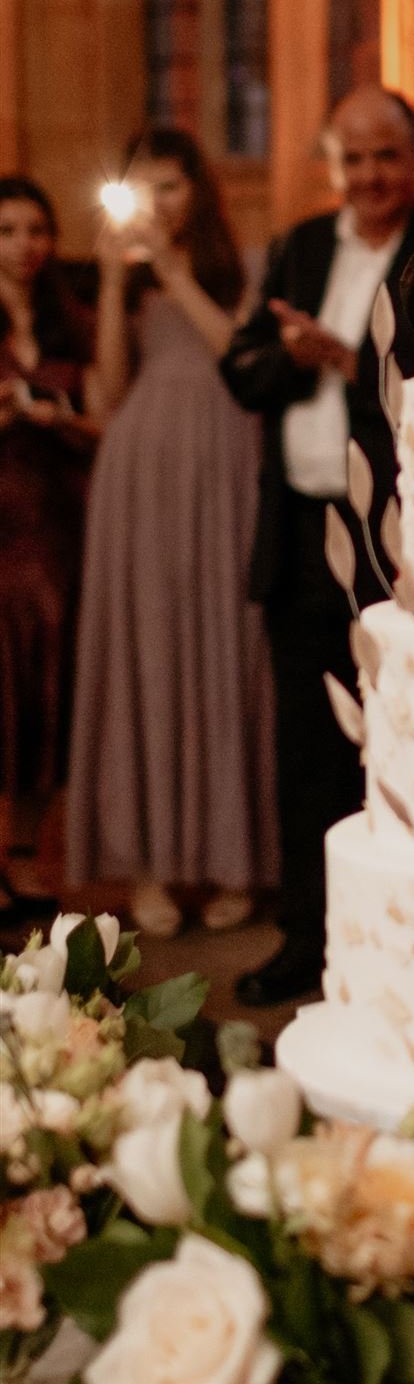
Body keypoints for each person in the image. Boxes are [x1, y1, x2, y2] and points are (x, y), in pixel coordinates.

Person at [222, 86, 414, 1006]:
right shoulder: (303, 245)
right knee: (306, 755)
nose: (370, 175)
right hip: (297, 536)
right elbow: (240, 370)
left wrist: (352, 364)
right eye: (353, 158)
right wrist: (295, 356)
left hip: (397, 542)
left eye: (386, 155)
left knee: (405, 746)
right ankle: (307, 938)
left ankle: (405, 945)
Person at [67, 130, 276, 936]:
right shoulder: (125, 278)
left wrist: (175, 274)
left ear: (199, 191)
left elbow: (239, 358)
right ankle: (147, 865)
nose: (157, 205)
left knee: (227, 642)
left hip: (225, 461)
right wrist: (114, 281)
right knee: (147, 651)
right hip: (141, 469)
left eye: (171, 187)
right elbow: (110, 390)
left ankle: (233, 859)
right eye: (142, 188)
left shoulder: (243, 268)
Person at [0, 176, 95, 926]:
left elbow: (106, 426)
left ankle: (26, 857)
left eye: (36, 230)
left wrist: (58, 416)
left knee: (41, 689)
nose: (24, 245)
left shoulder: (73, 324)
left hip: (57, 526)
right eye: (7, 231)